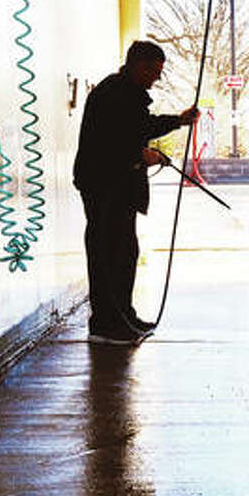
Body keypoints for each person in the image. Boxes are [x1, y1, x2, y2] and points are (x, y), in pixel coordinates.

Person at [74, 41, 199, 345]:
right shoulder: (114, 93)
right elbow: (113, 140)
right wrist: (141, 154)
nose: (157, 77)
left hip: (117, 184)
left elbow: (139, 127)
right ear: (137, 65)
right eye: (153, 70)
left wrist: (178, 121)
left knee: (125, 252)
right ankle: (105, 325)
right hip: (104, 185)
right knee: (109, 254)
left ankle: (123, 316)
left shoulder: (125, 93)